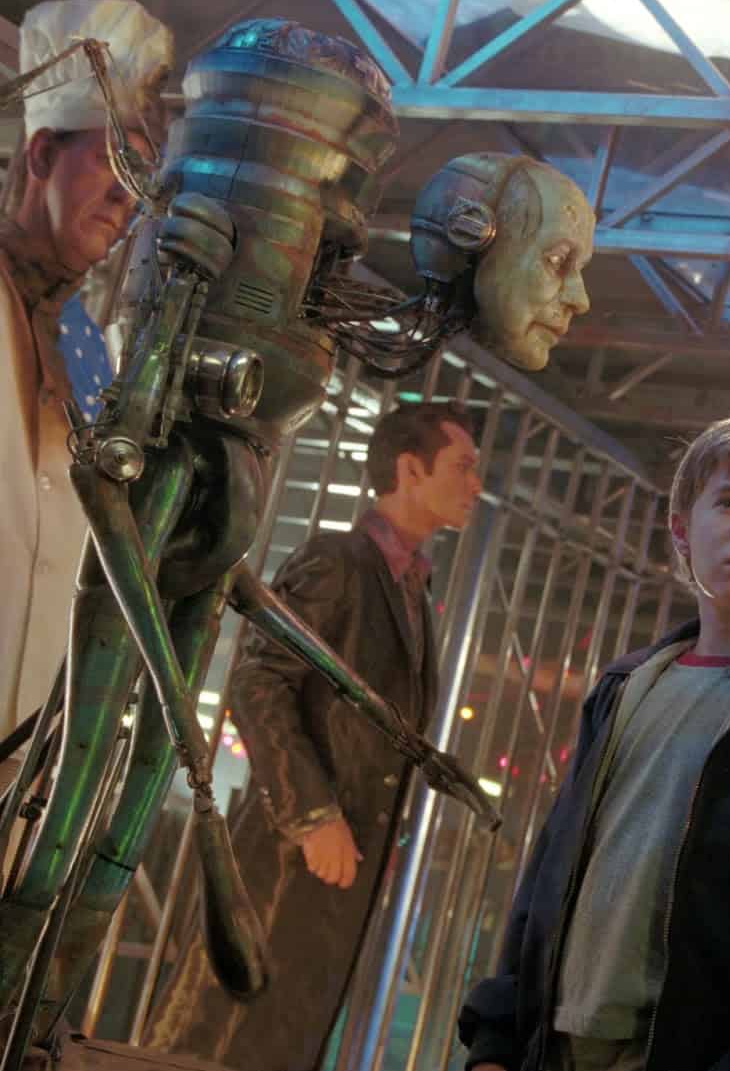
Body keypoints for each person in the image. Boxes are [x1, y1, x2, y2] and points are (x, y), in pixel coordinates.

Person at [458, 410, 730, 1071]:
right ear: (682, 528)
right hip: (550, 1050)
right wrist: (495, 1040)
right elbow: (547, 878)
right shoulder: (624, 687)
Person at [147, 401, 482, 1071]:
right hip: (286, 860)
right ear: (411, 469)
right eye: (464, 467)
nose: (476, 484)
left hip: (337, 865)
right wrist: (312, 814)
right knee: (217, 1041)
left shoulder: (413, 586)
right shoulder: (338, 560)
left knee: (278, 1043)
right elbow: (258, 681)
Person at [0, 0, 171, 815]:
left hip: (23, 775)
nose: (125, 201)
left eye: (140, 181)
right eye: (111, 163)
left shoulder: (87, 350)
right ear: (41, 153)